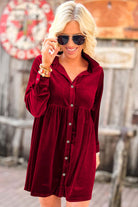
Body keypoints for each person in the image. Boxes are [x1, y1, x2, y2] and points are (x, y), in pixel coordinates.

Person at [24, 1, 104, 207]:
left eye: (78, 37)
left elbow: (94, 114)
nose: (71, 44)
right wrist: (46, 67)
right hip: (49, 150)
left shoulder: (96, 72)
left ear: (86, 37)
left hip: (82, 152)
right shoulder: (42, 64)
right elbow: (36, 108)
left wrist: (95, 150)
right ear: (56, 37)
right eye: (64, 37)